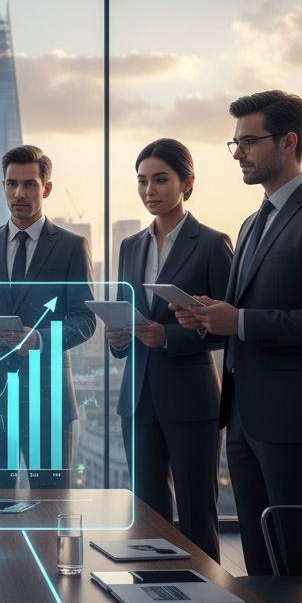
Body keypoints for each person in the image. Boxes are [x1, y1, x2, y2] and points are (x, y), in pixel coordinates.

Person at [175, 90, 302, 576]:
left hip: (295, 419)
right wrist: (209, 315)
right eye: (234, 143)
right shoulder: (253, 222)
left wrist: (241, 321)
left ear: (288, 142)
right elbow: (244, 311)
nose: (238, 153)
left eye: (249, 141)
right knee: (260, 561)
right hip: (244, 418)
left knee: (301, 559)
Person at [105, 139, 232, 562]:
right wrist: (118, 337)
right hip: (137, 398)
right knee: (146, 511)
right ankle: (151, 597)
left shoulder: (213, 244)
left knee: (197, 511)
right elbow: (132, 314)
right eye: (142, 181)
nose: (149, 190)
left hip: (192, 399)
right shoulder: (130, 246)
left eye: (160, 180)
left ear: (187, 182)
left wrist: (170, 337)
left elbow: (229, 328)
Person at [0, 145, 95, 489]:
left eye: (30, 184)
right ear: (2, 186)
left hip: (49, 399)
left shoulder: (72, 247)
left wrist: (40, 339)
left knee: (50, 509)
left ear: (46, 188)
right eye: (12, 183)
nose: (20, 193)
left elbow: (85, 320)